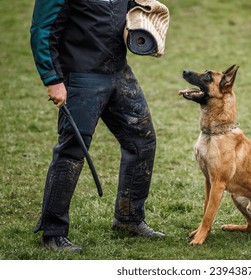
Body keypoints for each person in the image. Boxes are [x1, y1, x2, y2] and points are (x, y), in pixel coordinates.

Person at [30, 0, 165, 253]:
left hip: (118, 72)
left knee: (142, 141)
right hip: (81, 75)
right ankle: (53, 232)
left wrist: (143, 8)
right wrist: (52, 79)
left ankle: (129, 218)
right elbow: (42, 30)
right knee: (72, 152)